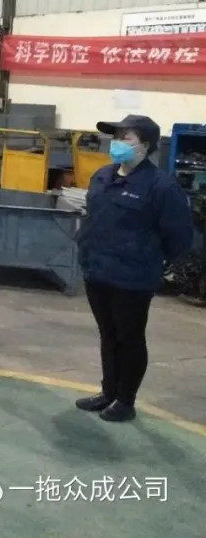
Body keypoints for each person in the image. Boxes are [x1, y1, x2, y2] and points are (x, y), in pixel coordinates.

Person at [75, 114, 193, 423]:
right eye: (116, 137)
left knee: (129, 338)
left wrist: (150, 259)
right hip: (97, 270)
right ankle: (108, 392)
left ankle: (125, 400)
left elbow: (180, 237)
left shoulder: (161, 186)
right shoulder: (103, 176)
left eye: (126, 138)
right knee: (108, 335)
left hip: (133, 278)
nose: (118, 143)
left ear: (146, 145)